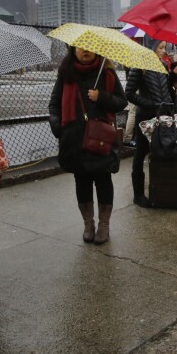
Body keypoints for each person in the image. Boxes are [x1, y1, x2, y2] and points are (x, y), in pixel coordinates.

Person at [48, 46, 127, 244]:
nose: (85, 51)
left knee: (103, 181)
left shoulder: (106, 71)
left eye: (90, 48)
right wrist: (58, 127)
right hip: (74, 139)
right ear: (73, 50)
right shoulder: (66, 72)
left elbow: (122, 101)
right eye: (80, 48)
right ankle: (88, 224)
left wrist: (102, 97)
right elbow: (54, 103)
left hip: (100, 139)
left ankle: (104, 225)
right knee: (81, 182)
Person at [125, 40, 177, 207]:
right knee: (140, 153)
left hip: (162, 117)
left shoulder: (163, 65)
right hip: (146, 118)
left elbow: (165, 89)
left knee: (162, 151)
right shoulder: (139, 67)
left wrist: (172, 75)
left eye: (164, 47)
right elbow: (129, 93)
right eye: (160, 47)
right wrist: (149, 104)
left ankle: (162, 190)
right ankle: (138, 194)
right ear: (151, 47)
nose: (164, 51)